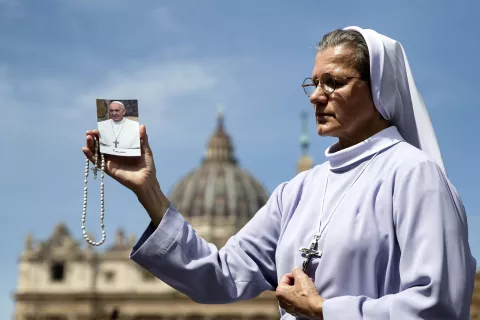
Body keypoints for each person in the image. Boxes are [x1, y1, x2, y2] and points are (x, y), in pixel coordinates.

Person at [82, 26, 477, 319]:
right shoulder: (298, 191)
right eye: (314, 82)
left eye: (334, 83)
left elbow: (437, 305)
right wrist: (148, 191)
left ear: (380, 91)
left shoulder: (414, 175)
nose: (316, 95)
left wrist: (326, 311)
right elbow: (220, 276)